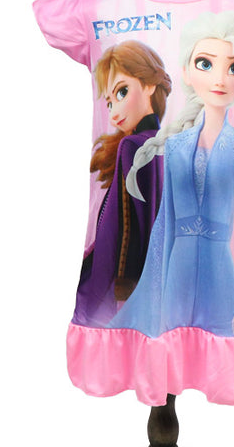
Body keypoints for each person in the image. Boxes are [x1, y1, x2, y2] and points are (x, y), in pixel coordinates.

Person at [109, 10, 234, 337]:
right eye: (206, 64)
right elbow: (165, 222)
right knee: (173, 340)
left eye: (232, 67)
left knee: (218, 344)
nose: (220, 79)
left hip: (220, 272)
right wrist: (159, 285)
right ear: (186, 72)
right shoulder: (176, 146)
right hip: (179, 270)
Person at [73, 40, 172, 327]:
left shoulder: (133, 146)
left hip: (117, 276)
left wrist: (124, 286)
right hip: (150, 274)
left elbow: (130, 225)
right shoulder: (164, 144)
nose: (114, 112)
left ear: (150, 85)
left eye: (122, 92)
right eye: (109, 102)